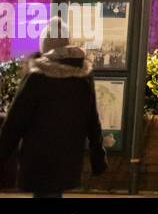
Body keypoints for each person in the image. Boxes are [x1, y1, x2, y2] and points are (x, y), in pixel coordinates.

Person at [0, 21, 106, 197]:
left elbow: (15, 122)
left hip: (39, 158)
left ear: (45, 45)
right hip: (68, 158)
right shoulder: (83, 78)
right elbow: (92, 120)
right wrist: (98, 157)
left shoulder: (37, 77)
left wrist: (2, 154)